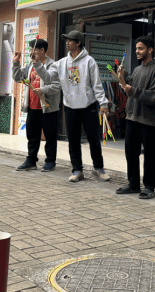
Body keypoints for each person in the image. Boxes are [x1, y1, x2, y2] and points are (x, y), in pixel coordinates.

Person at [39, 30, 111, 182]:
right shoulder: (61, 63)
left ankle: (98, 168)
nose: (67, 42)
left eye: (70, 40)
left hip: (88, 106)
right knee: (73, 140)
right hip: (70, 107)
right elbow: (47, 77)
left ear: (78, 43)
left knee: (93, 138)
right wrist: (36, 64)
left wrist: (103, 103)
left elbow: (97, 85)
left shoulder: (89, 61)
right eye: (66, 40)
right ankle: (77, 170)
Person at [115, 36, 155, 199]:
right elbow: (127, 91)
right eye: (137, 48)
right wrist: (122, 78)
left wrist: (132, 90)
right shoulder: (137, 70)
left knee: (149, 155)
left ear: (150, 50)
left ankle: (149, 187)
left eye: (141, 48)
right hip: (132, 117)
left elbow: (154, 95)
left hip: (148, 119)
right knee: (131, 153)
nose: (137, 51)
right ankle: (133, 184)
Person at [12, 39, 62, 172]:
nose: (31, 52)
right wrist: (16, 63)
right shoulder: (30, 65)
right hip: (33, 106)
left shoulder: (53, 65)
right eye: (30, 50)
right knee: (32, 136)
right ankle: (31, 160)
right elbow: (18, 77)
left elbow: (56, 85)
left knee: (50, 136)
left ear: (42, 50)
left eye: (33, 50)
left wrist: (43, 90)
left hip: (48, 107)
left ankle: (50, 161)